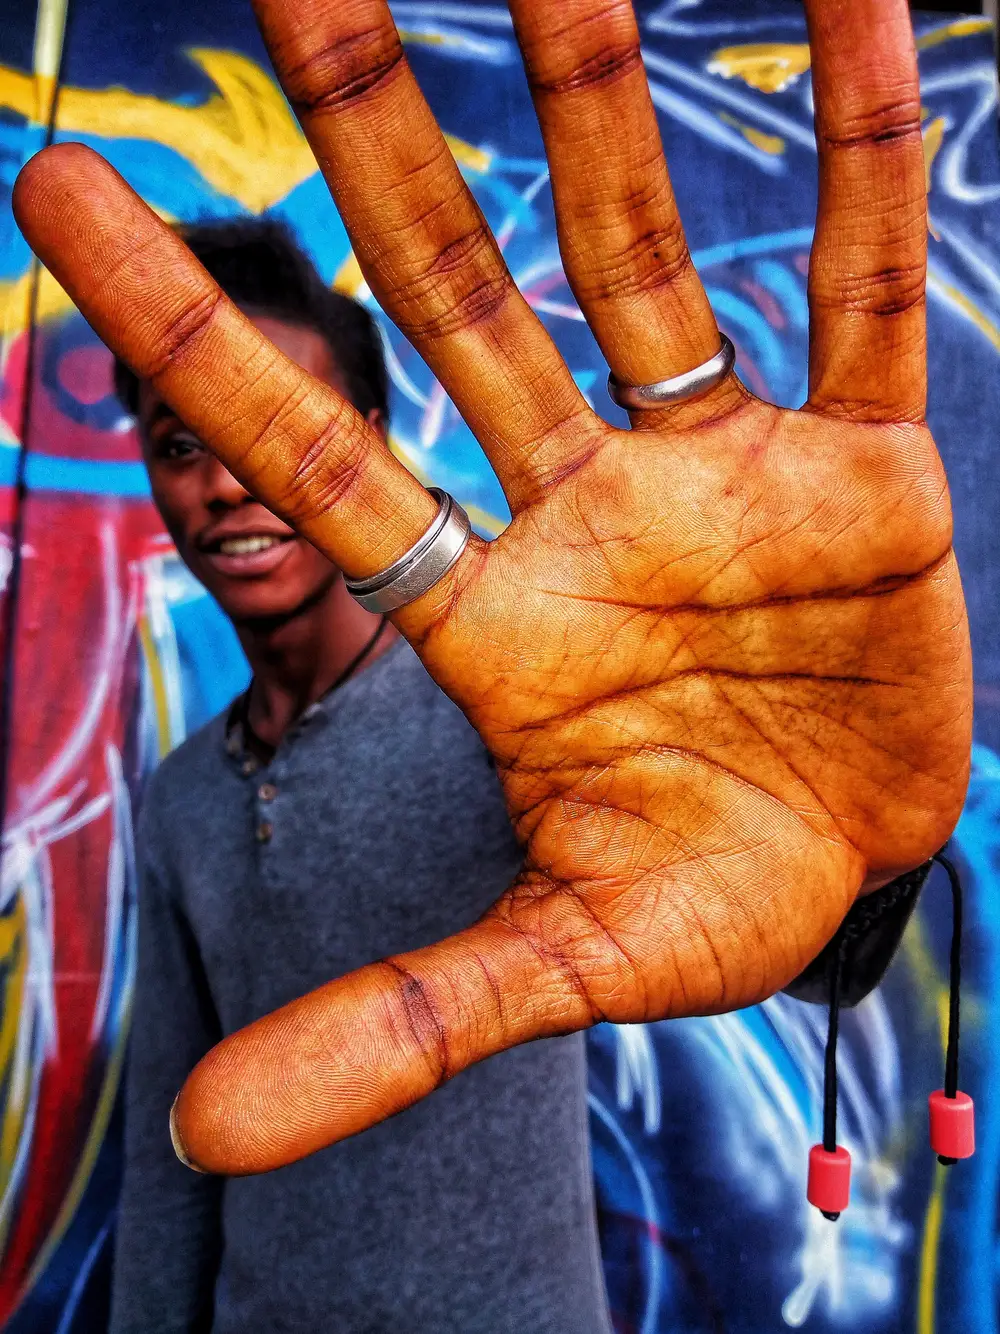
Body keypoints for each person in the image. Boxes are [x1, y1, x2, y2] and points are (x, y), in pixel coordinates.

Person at [12, 0, 972, 1329]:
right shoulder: (178, 792)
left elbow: (791, 932)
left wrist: (852, 858)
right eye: (181, 445)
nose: (229, 483)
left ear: (356, 438)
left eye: (266, 431)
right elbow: (172, 1171)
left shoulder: (525, 725)